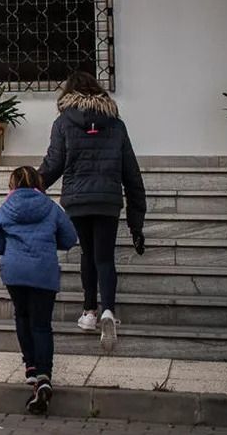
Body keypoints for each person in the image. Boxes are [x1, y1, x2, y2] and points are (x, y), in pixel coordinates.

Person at [38, 71, 147, 350]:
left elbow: (53, 164)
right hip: (108, 200)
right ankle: (108, 310)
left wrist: (29, 187)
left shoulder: (63, 123)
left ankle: (89, 313)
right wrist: (136, 223)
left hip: (77, 200)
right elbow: (131, 173)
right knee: (105, 257)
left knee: (88, 253)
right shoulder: (116, 125)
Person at [0, 165, 78, 416]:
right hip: (43, 271)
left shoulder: (5, 208)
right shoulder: (51, 207)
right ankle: (44, 375)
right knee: (41, 324)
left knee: (22, 316)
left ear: (13, 185)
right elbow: (70, 238)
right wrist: (50, 242)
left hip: (15, 272)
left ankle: (30, 366)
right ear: (39, 183)